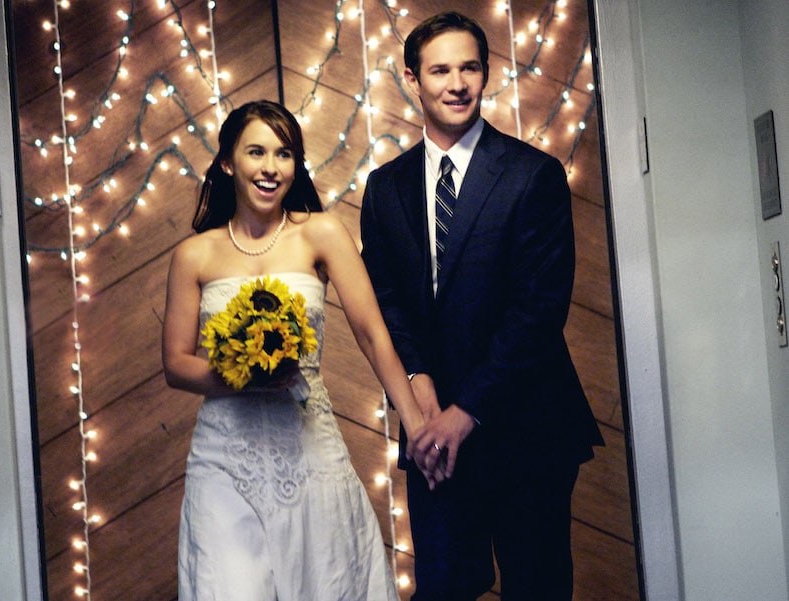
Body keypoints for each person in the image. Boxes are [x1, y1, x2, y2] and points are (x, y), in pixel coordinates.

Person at [360, 11, 605, 601]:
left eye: (469, 66)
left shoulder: (533, 175)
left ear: (486, 73)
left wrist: (463, 413)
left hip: (527, 430)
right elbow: (385, 300)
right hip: (431, 439)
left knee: (537, 589)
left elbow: (538, 312)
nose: (457, 82)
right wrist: (419, 391)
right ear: (413, 79)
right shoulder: (384, 187)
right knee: (442, 589)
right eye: (440, 69)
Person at [162, 100, 437, 601]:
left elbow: (374, 334)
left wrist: (417, 425)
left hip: (311, 452)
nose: (271, 167)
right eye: (257, 152)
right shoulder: (193, 254)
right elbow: (176, 364)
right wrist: (238, 374)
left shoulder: (322, 232)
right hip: (224, 461)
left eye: (284, 154)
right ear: (228, 162)